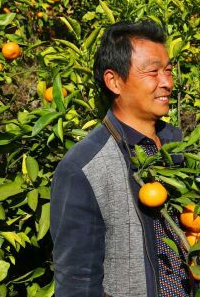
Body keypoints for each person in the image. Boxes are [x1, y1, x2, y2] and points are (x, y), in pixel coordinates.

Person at [50, 21, 190, 296]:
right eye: (153, 72)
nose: (167, 83)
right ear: (114, 81)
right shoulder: (84, 167)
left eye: (169, 71)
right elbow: (77, 282)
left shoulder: (178, 145)